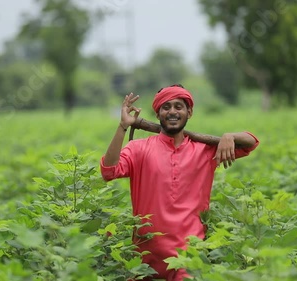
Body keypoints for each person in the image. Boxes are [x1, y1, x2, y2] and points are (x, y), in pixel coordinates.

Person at [100, 85, 259, 280]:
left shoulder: (206, 151)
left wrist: (229, 136)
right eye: (166, 107)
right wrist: (123, 126)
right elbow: (109, 171)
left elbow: (251, 142)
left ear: (189, 112)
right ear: (158, 113)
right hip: (145, 260)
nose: (172, 112)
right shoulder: (139, 149)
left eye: (178, 106)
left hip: (188, 258)